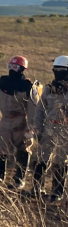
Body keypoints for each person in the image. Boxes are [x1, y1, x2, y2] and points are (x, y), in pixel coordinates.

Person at [0, 55, 40, 189]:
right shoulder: (1, 82)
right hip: (5, 121)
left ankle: (19, 180)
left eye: (15, 67)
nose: (12, 69)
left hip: (21, 122)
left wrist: (31, 129)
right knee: (0, 150)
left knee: (23, 149)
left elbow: (33, 108)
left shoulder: (28, 87)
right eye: (10, 66)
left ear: (22, 69)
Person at [32, 55, 68, 201]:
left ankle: (57, 192)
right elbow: (40, 110)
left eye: (62, 70)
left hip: (65, 130)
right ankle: (36, 188)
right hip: (49, 127)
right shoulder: (49, 89)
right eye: (56, 70)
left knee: (61, 161)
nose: (58, 73)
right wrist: (37, 128)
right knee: (41, 158)